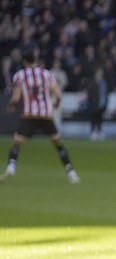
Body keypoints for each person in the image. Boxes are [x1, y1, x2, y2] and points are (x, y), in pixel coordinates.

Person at [1, 49, 80, 184]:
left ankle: (11, 166)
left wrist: (11, 106)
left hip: (29, 114)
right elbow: (58, 94)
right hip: (45, 115)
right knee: (57, 143)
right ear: (35, 60)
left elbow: (15, 98)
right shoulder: (46, 74)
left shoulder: (20, 75)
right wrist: (55, 104)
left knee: (17, 142)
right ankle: (71, 172)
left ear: (24, 61)